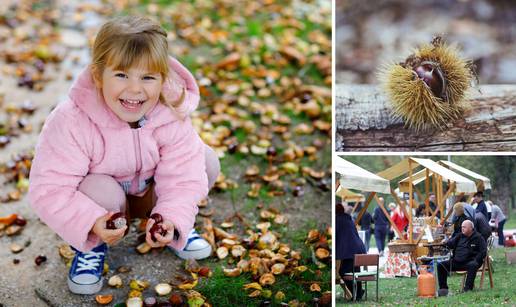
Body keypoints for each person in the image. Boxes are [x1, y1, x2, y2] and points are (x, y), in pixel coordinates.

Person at [28, 16, 221, 295]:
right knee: (97, 188)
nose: (134, 89)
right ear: (98, 75)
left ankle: (170, 225)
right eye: (121, 75)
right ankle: (91, 245)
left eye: (147, 77)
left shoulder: (170, 112)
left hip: (152, 191)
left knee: (203, 160)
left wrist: (171, 215)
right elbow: (49, 188)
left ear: (163, 78)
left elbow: (184, 174)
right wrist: (92, 221)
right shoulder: (72, 120)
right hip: (105, 203)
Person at [437, 220, 487, 296]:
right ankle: (443, 290)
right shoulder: (459, 236)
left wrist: (476, 260)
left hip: (470, 262)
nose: (462, 229)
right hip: (456, 262)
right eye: (462, 227)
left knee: (473, 265)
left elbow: (483, 251)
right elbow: (450, 244)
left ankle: (467, 289)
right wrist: (444, 243)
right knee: (441, 265)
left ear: (471, 228)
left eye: (464, 227)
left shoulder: (478, 237)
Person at [336, 201, 366, 301]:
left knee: (343, 272)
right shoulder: (348, 218)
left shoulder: (337, 219)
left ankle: (354, 293)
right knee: (356, 271)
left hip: (349, 250)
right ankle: (359, 293)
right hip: (358, 247)